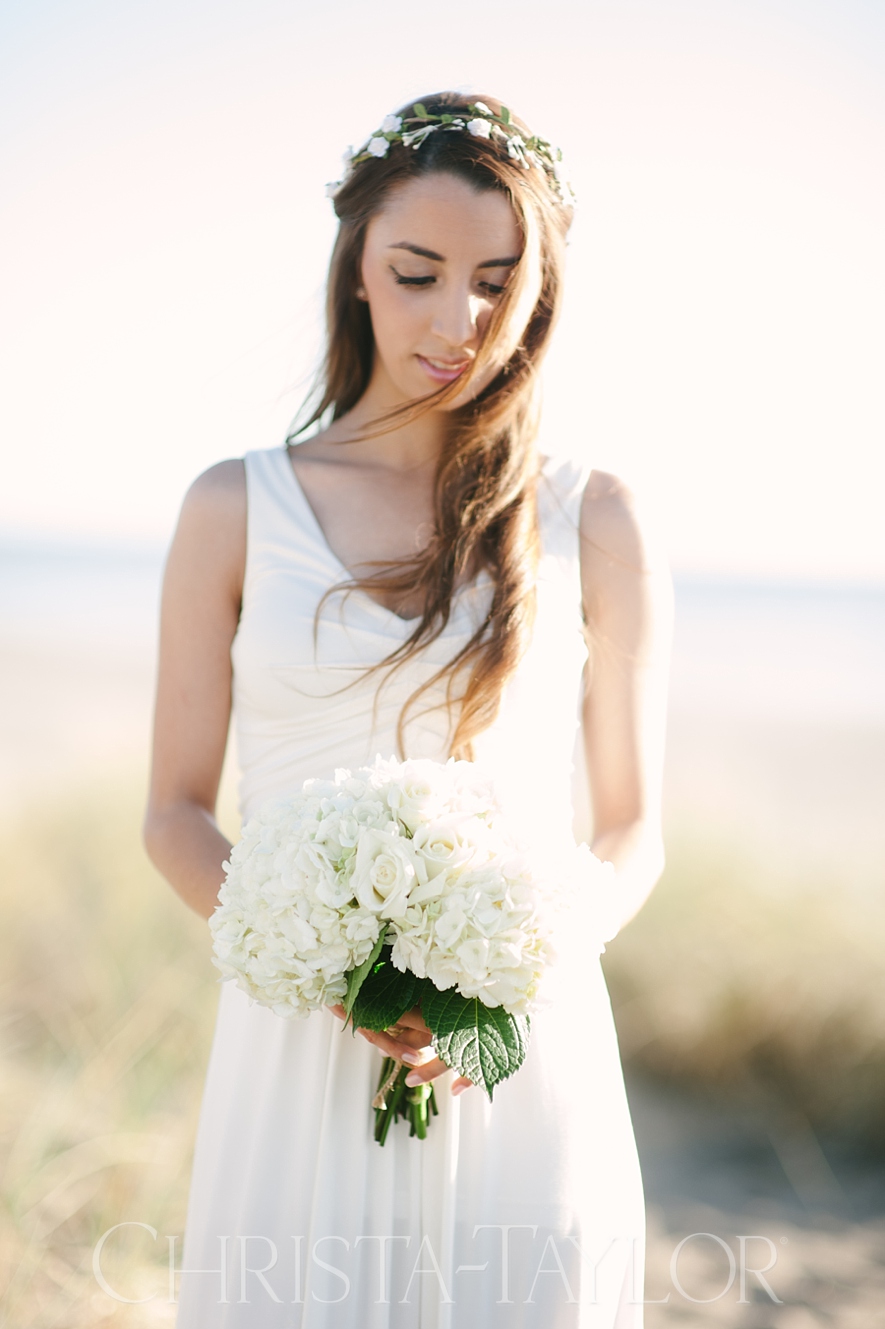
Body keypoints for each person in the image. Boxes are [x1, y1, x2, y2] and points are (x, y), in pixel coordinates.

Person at [144, 91, 672, 1328]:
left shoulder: (594, 516)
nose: (457, 320)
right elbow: (174, 812)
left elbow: (633, 827)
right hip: (297, 1040)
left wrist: (514, 964)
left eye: (496, 281)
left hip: (518, 1042)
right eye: (419, 272)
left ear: (539, 290)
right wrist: (328, 968)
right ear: (359, 271)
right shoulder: (235, 506)